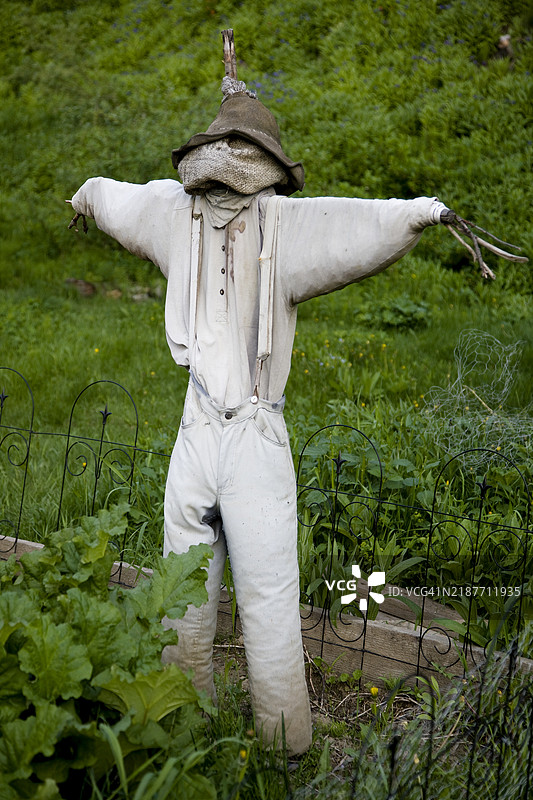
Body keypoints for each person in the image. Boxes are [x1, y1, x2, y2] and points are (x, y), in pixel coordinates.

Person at [69, 77, 451, 755]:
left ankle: (281, 743)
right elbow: (114, 198)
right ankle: (181, 716)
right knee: (187, 583)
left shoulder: (282, 224)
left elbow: (356, 225)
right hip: (199, 429)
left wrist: (417, 212)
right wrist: (88, 197)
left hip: (251, 429)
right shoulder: (171, 212)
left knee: (266, 595)